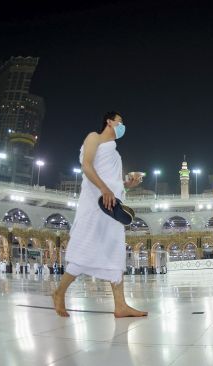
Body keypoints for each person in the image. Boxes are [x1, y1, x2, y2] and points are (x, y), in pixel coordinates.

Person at [52, 111, 147, 318]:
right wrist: (104, 189)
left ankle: (120, 306)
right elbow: (86, 166)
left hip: (110, 206)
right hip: (94, 203)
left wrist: (127, 185)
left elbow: (113, 182)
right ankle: (59, 293)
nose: (122, 126)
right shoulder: (93, 137)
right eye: (120, 122)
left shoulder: (116, 154)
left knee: (115, 252)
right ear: (109, 121)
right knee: (84, 250)